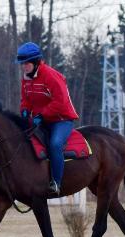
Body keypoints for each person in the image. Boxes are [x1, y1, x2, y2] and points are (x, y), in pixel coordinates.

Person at [16, 42, 79, 196]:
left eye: (26, 63)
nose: (24, 66)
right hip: (41, 119)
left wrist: (42, 115)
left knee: (55, 144)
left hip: (61, 119)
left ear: (36, 62)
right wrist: (24, 111)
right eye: (22, 63)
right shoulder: (26, 78)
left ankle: (56, 183)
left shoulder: (51, 75)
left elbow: (60, 102)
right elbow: (26, 100)